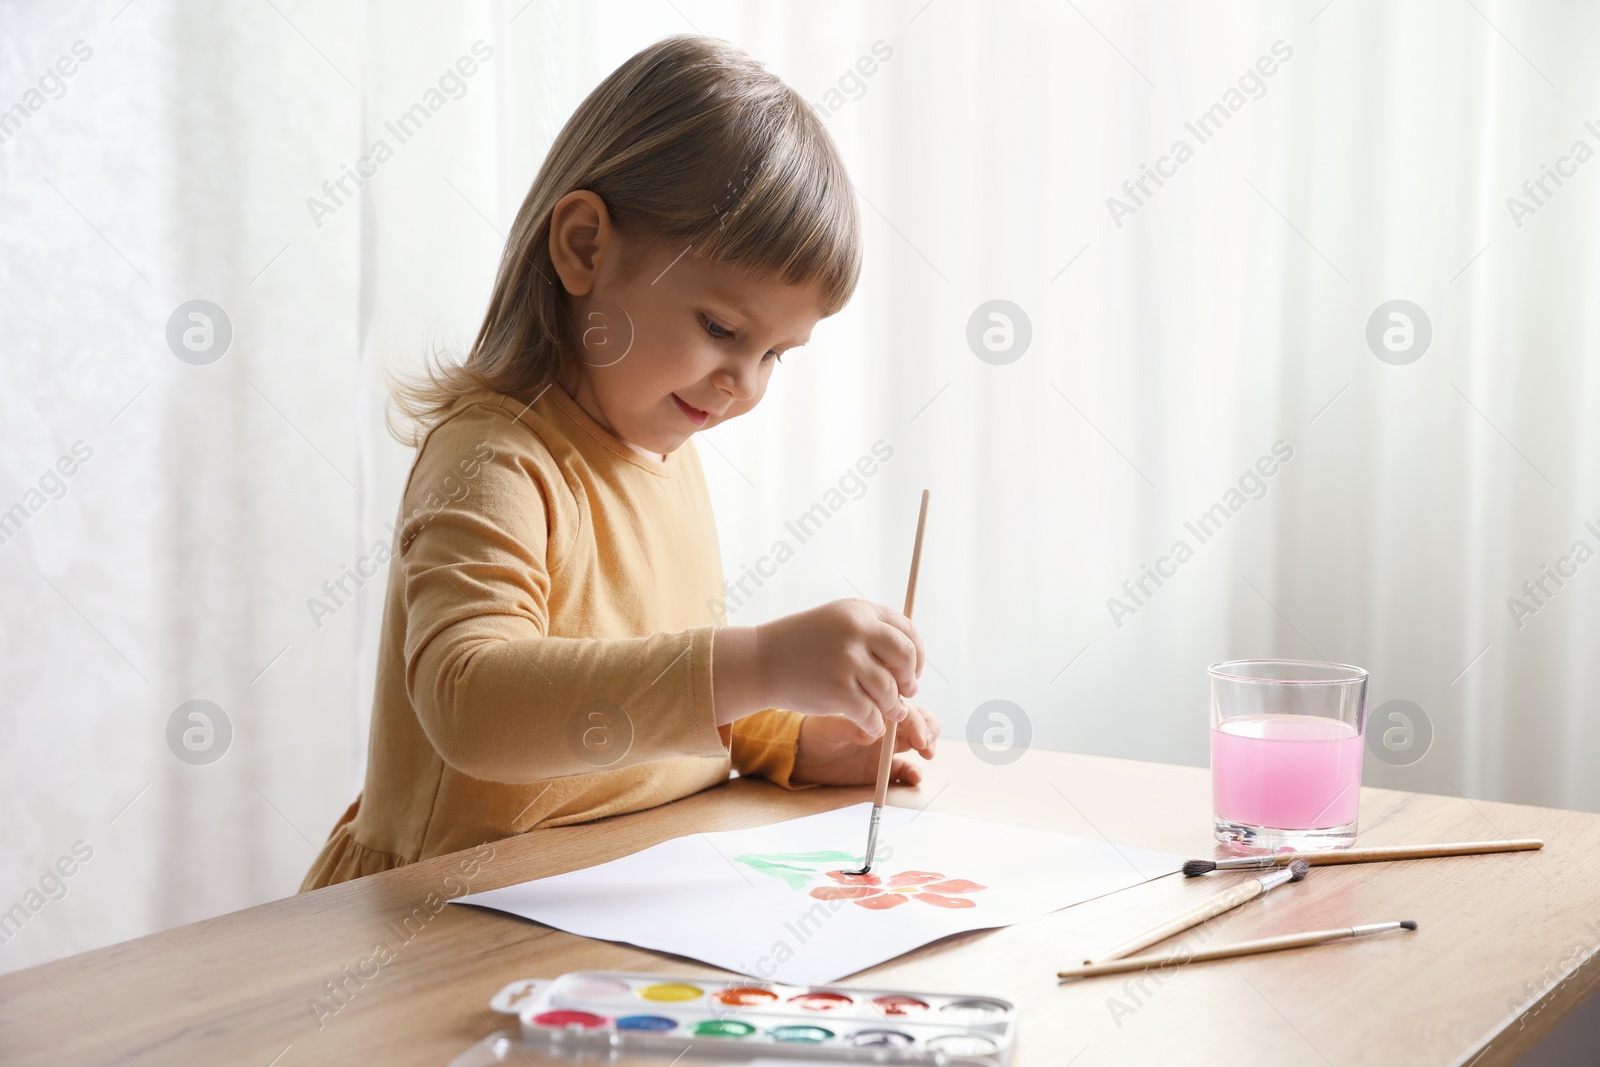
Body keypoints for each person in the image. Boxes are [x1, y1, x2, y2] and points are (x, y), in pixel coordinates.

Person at [301, 34, 937, 892]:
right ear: (584, 247)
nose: (743, 384)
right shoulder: (494, 455)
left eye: (777, 355)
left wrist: (786, 736)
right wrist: (759, 663)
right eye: (722, 329)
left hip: (601, 891)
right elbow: (472, 704)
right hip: (442, 911)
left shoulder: (664, 451)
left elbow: (642, 682)